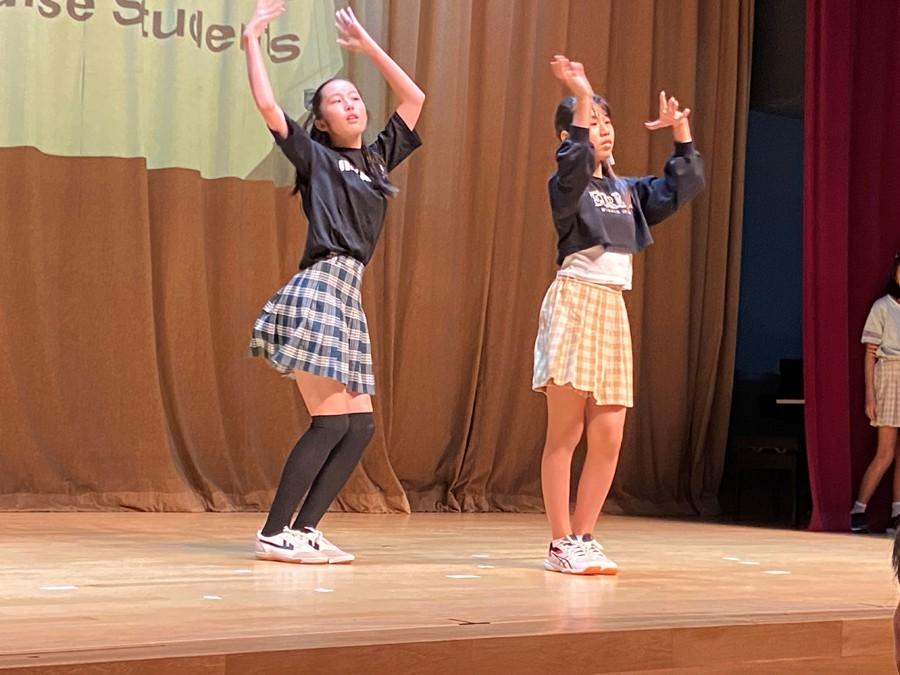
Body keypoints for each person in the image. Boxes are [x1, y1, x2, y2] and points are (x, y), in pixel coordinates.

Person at [243, 0, 424, 563]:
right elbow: (268, 105)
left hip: (348, 292)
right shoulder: (317, 159)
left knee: (359, 426)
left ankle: (303, 530)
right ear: (320, 121)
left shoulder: (377, 161)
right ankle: (274, 531)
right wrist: (251, 39)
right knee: (329, 423)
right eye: (337, 101)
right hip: (321, 286)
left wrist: (369, 49)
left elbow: (414, 99)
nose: (351, 104)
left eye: (355, 96)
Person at [534, 56, 704, 575]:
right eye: (593, 122)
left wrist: (680, 133)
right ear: (571, 134)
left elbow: (680, 187)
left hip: (612, 307)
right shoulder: (568, 184)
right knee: (566, 433)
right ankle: (560, 541)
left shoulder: (627, 191)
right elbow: (573, 161)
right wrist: (581, 93)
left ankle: (585, 536)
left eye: (607, 121)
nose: (603, 129)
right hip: (576, 300)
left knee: (609, 436)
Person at [851, 255, 900, 534]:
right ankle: (859, 509)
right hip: (889, 375)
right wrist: (870, 395)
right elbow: (869, 353)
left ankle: (897, 512)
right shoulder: (883, 306)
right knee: (886, 452)